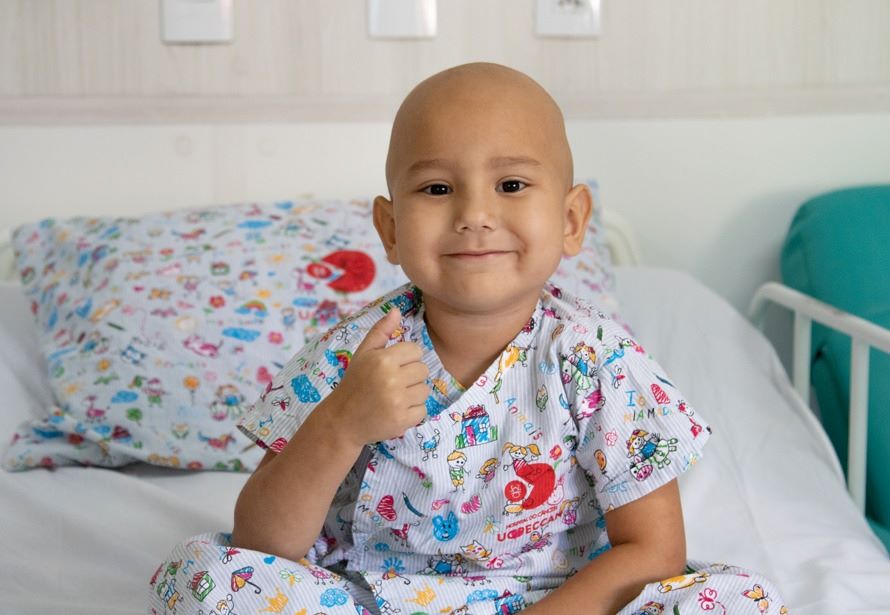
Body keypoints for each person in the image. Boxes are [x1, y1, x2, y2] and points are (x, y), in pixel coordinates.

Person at [149, 63, 788, 615]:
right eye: (437, 188)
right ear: (390, 228)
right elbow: (262, 542)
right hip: (375, 597)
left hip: (560, 599)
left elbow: (653, 550)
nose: (475, 215)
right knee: (203, 577)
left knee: (738, 599)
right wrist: (341, 423)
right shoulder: (356, 354)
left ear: (571, 220)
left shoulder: (597, 360)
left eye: (511, 185)